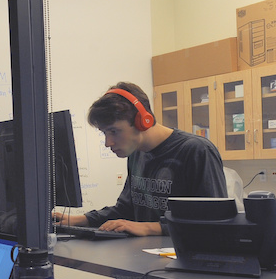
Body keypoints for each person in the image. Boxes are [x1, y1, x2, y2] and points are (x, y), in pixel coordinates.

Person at [54, 82, 227, 236]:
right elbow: (126, 209)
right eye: (104, 133)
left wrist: (150, 228)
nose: (108, 142)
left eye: (114, 131)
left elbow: (215, 219)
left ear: (142, 121)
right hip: (145, 257)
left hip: (185, 259)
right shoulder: (137, 153)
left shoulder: (196, 150)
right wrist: (81, 220)